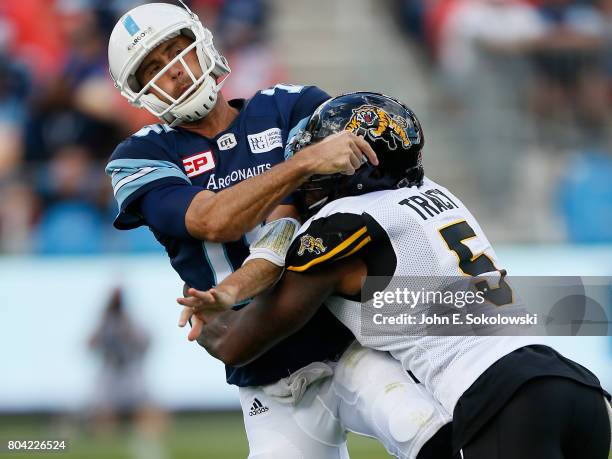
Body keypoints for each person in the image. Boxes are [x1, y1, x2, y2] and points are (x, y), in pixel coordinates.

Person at [182, 92, 612, 459]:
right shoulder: (433, 193)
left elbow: (241, 343)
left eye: (323, 159)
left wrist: (206, 314)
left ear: (358, 164)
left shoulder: (343, 223)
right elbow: (411, 306)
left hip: (506, 398)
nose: (310, 175)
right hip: (575, 388)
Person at [106, 4, 452, 458]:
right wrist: (304, 161)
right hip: (268, 378)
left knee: (427, 431)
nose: (173, 73)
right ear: (139, 93)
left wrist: (233, 288)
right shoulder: (138, 157)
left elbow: (294, 220)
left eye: (177, 52)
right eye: (153, 68)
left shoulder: (291, 105)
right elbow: (213, 220)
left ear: (202, 43)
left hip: (347, 337)